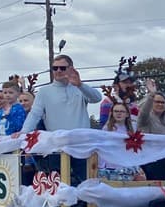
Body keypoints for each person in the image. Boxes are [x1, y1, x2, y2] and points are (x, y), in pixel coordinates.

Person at [19, 55, 103, 186]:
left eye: (62, 68)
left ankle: (87, 206)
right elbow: (35, 114)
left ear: (71, 69)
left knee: (86, 182)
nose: (58, 71)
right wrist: (24, 132)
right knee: (58, 184)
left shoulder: (80, 88)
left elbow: (97, 98)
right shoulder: (44, 92)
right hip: (57, 146)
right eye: (54, 68)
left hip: (81, 145)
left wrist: (80, 85)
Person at [98, 103, 145, 181]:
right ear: (112, 113)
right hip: (111, 167)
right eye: (116, 111)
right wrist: (101, 168)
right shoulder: (107, 129)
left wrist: (138, 165)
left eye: (122, 111)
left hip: (128, 166)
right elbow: (102, 149)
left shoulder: (133, 128)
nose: (118, 113)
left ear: (127, 114)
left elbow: (137, 149)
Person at [137, 79, 165, 180]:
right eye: (157, 102)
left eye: (163, 102)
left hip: (163, 160)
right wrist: (151, 94)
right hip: (148, 160)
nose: (160, 104)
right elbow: (144, 112)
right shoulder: (146, 119)